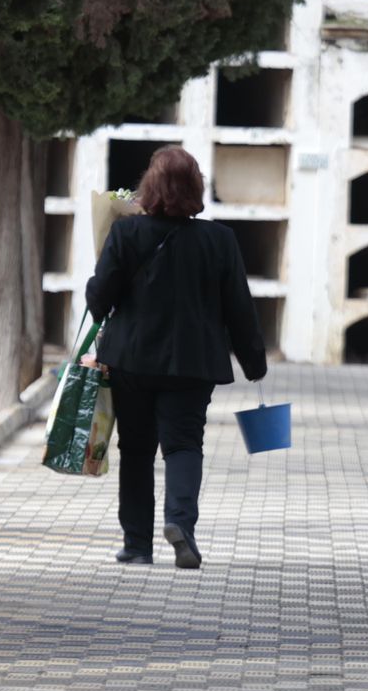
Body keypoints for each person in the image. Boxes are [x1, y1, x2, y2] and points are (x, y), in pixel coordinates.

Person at [85, 147, 266, 568]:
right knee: (184, 445)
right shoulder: (219, 240)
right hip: (193, 363)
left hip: (131, 360)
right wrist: (253, 362)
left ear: (149, 187)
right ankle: (180, 524)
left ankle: (136, 545)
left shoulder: (126, 233)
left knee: (136, 449)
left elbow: (99, 299)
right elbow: (240, 306)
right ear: (196, 188)